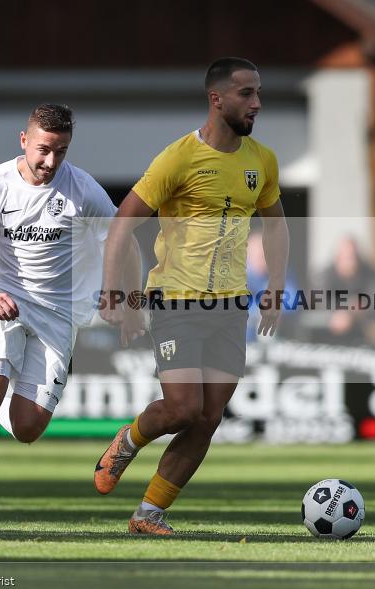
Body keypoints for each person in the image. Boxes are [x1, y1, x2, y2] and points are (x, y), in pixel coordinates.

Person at [0, 104, 143, 530]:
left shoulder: (84, 191)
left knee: (27, 428)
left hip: (59, 316)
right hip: (4, 303)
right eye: (43, 150)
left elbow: (125, 245)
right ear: (24, 140)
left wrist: (124, 299)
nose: (51, 162)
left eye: (61, 151)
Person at [95, 57, 289, 535]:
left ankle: (149, 514)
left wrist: (276, 286)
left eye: (258, 92)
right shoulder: (178, 157)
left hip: (230, 306)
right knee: (182, 408)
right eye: (246, 93)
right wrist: (114, 293)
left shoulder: (261, 160)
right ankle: (129, 439)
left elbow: (277, 224)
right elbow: (124, 222)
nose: (257, 103)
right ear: (216, 98)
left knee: (208, 418)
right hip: (176, 300)